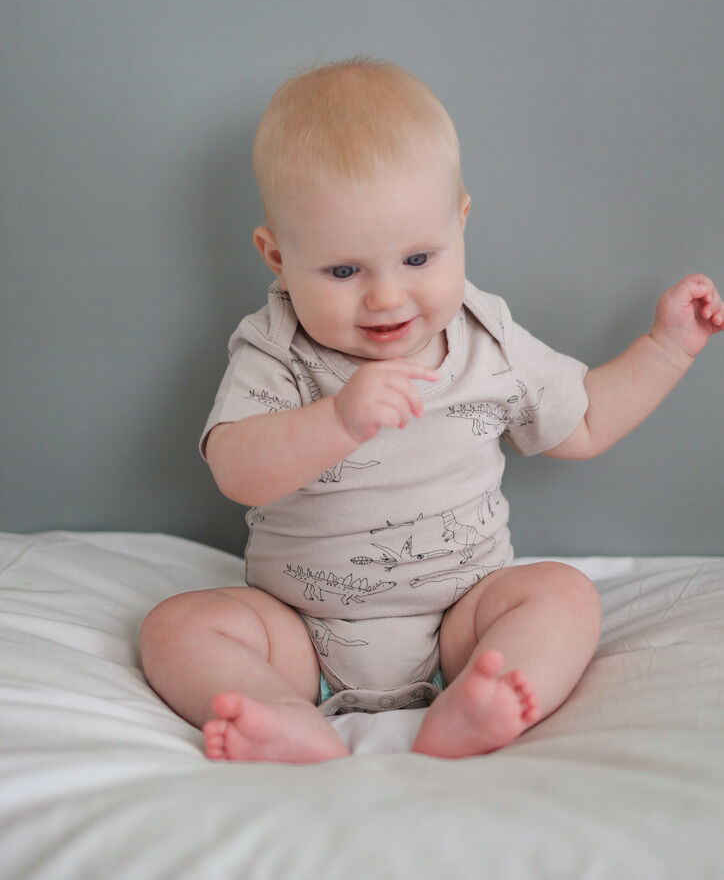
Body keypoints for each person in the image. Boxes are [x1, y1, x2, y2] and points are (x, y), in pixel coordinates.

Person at [140, 58, 723, 764]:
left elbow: (588, 419)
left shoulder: (487, 338)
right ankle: (283, 714)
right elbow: (236, 469)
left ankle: (483, 702)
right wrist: (338, 420)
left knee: (563, 594)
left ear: (461, 220)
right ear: (277, 257)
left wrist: (668, 347)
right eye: (344, 271)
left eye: (418, 258)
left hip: (462, 625)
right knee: (177, 628)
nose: (387, 297)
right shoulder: (277, 350)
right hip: (300, 630)